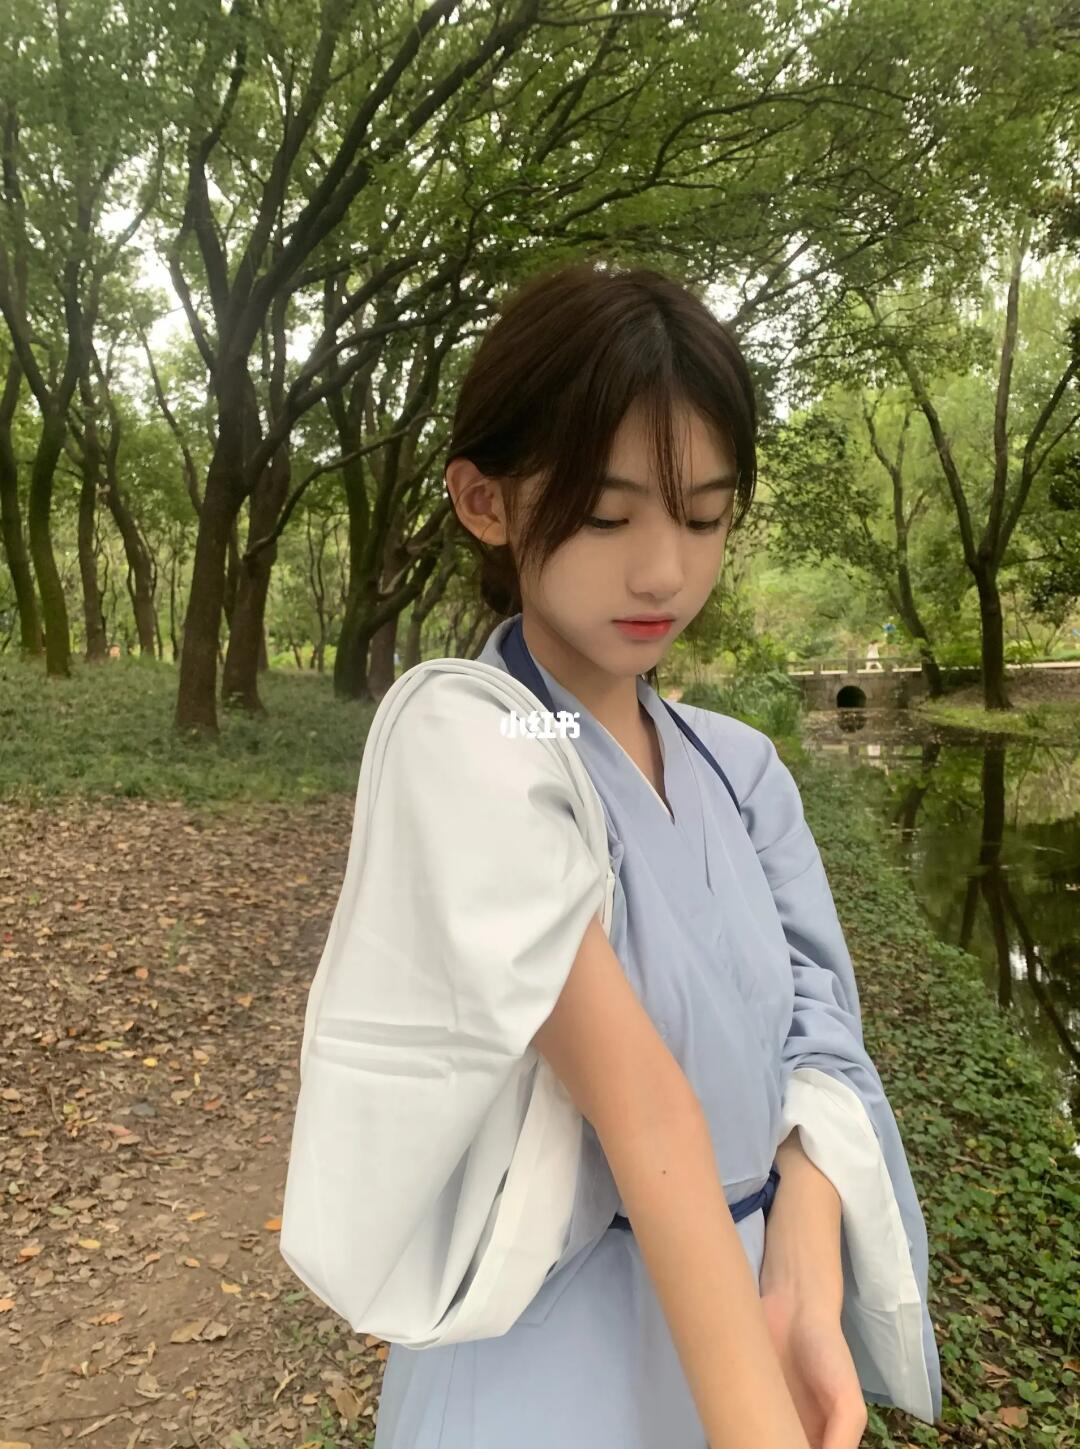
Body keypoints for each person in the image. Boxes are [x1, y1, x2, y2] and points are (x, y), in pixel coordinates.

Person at [290, 262, 942, 1447]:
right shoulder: (477, 735)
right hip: (554, 1359)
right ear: (485, 502)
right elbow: (645, 1111)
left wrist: (803, 1265)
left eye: (704, 517)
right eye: (606, 515)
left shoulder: (740, 768)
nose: (664, 572)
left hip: (744, 1312)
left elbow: (820, 1029)